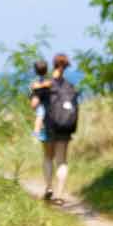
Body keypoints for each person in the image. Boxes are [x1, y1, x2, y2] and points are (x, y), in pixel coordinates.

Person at [39, 53, 79, 202]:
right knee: (62, 161)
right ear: (66, 66)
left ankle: (49, 187)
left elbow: (34, 103)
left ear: (53, 64)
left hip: (50, 126)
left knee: (48, 157)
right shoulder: (70, 86)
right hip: (65, 127)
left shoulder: (47, 84)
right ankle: (60, 195)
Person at [28, 59, 52, 143]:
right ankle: (41, 135)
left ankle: (36, 136)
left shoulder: (34, 83)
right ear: (46, 70)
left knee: (39, 117)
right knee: (43, 119)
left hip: (40, 104)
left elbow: (32, 93)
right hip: (49, 105)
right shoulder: (50, 81)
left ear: (35, 71)